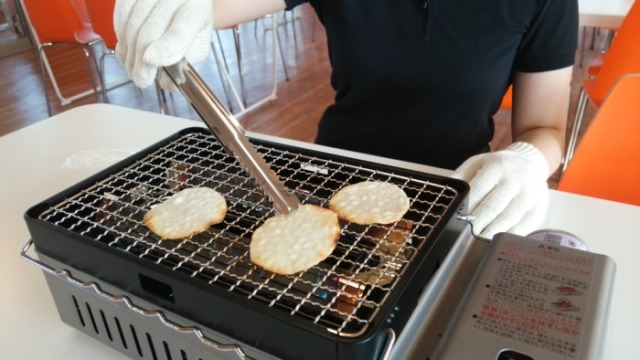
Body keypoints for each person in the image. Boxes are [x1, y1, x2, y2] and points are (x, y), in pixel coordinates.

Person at [114, 0, 578, 238]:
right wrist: (178, 7)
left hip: (455, 190)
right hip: (331, 175)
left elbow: (546, 128)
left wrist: (526, 162)